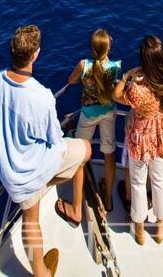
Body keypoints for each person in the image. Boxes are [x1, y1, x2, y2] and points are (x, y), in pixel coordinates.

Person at [0, 25, 91, 277]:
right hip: (34, 171)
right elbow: (55, 140)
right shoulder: (40, 96)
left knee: (29, 216)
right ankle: (72, 215)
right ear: (36, 54)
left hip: (12, 178)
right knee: (84, 149)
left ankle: (42, 194)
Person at [113, 34, 163, 246]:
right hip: (161, 133)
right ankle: (160, 226)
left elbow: (116, 96)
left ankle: (139, 230)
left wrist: (126, 77)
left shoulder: (136, 87)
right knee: (159, 180)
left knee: (138, 182)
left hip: (139, 135)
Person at [67, 28, 121, 212]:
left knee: (81, 155)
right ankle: (108, 199)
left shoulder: (84, 65)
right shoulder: (115, 66)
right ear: (108, 48)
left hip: (88, 114)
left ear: (92, 48)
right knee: (109, 154)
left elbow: (71, 80)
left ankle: (78, 201)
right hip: (108, 112)